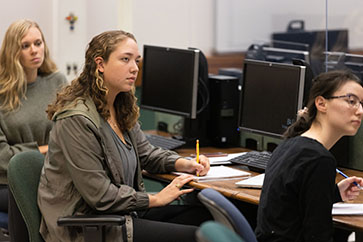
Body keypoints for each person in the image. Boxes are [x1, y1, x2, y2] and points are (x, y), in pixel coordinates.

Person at [37, 30, 211, 242]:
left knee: (203, 219)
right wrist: (154, 199)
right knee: (196, 236)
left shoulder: (120, 106)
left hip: (121, 214)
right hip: (87, 226)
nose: (135, 68)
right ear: (100, 64)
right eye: (125, 59)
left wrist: (185, 163)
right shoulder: (76, 119)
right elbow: (100, 195)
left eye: (136, 61)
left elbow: (146, 154)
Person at [255, 70, 363, 242]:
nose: (360, 111)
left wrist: (333, 193)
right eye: (351, 101)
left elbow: (294, 204)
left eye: (361, 103)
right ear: (321, 103)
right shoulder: (319, 160)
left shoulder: (290, 144)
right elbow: (318, 236)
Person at [0, 19, 67, 214]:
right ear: (13, 52)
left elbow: (70, 134)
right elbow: (2, 157)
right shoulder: (3, 94)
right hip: (8, 183)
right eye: (25, 46)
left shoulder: (57, 82)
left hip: (54, 175)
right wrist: (45, 149)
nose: (34, 50)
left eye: (38, 43)